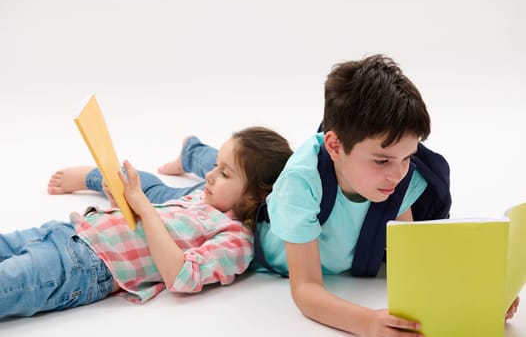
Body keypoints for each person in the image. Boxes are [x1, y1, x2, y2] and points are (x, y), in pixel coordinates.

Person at [153, 54, 520, 336]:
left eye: (407, 157)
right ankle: (174, 159)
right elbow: (307, 289)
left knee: (243, 165)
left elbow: (415, 262)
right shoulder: (300, 184)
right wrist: (366, 322)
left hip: (304, 175)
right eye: (382, 160)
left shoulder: (401, 176)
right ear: (334, 145)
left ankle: (194, 151)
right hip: (254, 215)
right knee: (200, 189)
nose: (398, 173)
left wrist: (475, 298)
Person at [1, 126, 292, 319]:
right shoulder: (203, 198)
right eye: (215, 165)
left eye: (225, 173)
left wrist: (144, 208)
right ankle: (184, 155)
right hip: (69, 231)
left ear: (258, 197)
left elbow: (181, 276)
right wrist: (124, 206)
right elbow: (146, 231)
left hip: (84, 265)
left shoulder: (236, 240)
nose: (210, 175)